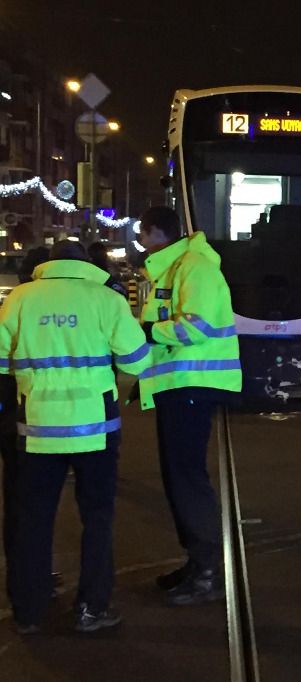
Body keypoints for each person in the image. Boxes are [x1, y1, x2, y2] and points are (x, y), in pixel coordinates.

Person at [0, 240, 150, 634]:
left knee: (33, 520)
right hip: (95, 429)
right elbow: (137, 360)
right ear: (86, 265)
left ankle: (28, 612)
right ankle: (91, 608)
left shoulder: (20, 298)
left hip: (37, 426)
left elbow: (2, 360)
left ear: (48, 266)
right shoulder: (105, 300)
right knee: (97, 518)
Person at [136, 206, 242, 606]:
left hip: (192, 385)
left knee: (187, 478)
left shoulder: (193, 267)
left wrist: (146, 331)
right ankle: (197, 564)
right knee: (179, 477)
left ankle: (207, 570)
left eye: (142, 233)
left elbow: (195, 327)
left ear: (155, 232)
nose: (139, 241)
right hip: (180, 386)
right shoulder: (177, 267)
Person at [1, 247, 49, 605]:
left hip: (11, 409)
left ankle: (23, 579)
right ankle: (29, 580)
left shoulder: (13, 302)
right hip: (24, 416)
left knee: (17, 500)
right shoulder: (35, 304)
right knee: (25, 502)